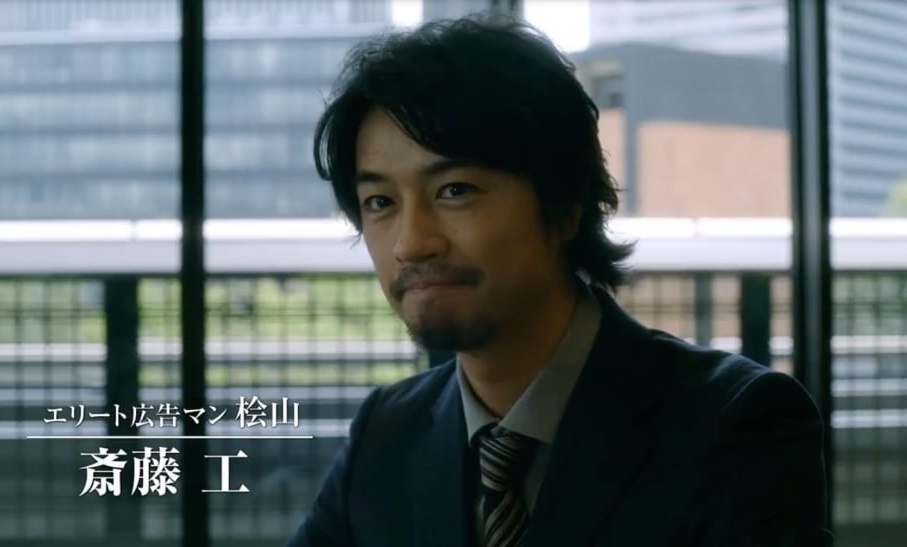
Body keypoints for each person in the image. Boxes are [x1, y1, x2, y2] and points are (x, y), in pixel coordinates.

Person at [287, 12, 831, 547]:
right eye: (380, 202)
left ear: (566, 204)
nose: (410, 243)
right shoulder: (387, 433)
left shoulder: (734, 426)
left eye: (455, 190)